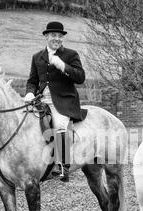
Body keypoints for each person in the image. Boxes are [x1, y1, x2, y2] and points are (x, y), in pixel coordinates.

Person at [25, 21, 87, 182]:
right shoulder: (37, 57)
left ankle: (62, 166)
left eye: (60, 36)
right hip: (40, 101)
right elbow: (32, 80)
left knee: (59, 125)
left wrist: (63, 66)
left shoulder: (71, 55)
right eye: (53, 35)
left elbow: (80, 77)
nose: (57, 39)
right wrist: (30, 93)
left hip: (63, 101)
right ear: (46, 36)